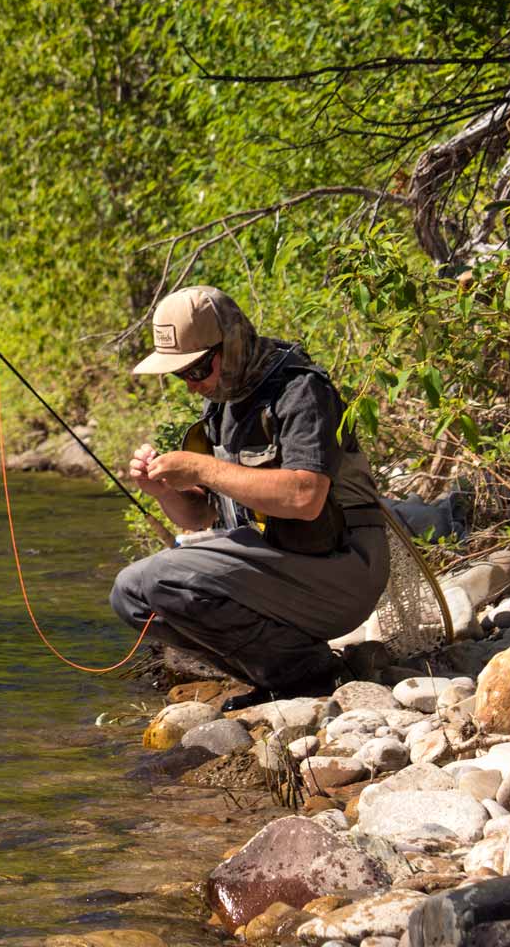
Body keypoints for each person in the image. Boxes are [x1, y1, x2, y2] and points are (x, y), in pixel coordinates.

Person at [110, 285, 388, 704]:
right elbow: (199, 518)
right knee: (130, 596)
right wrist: (161, 490)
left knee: (154, 580)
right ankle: (285, 673)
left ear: (232, 344)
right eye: (180, 374)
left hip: (340, 568)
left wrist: (200, 465)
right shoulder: (224, 404)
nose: (190, 385)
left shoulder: (300, 391)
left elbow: (305, 497)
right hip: (277, 564)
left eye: (197, 370)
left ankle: (307, 677)